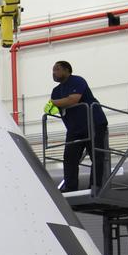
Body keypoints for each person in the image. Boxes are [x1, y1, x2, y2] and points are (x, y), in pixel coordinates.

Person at [46, 61, 109, 192]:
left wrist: (53, 102)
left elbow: (73, 99)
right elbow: (55, 108)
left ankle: (95, 186)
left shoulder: (77, 81)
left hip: (93, 122)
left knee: (96, 155)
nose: (54, 73)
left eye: (57, 69)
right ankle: (70, 187)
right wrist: (55, 104)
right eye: (53, 70)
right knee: (69, 158)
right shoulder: (56, 91)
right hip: (74, 128)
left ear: (67, 70)